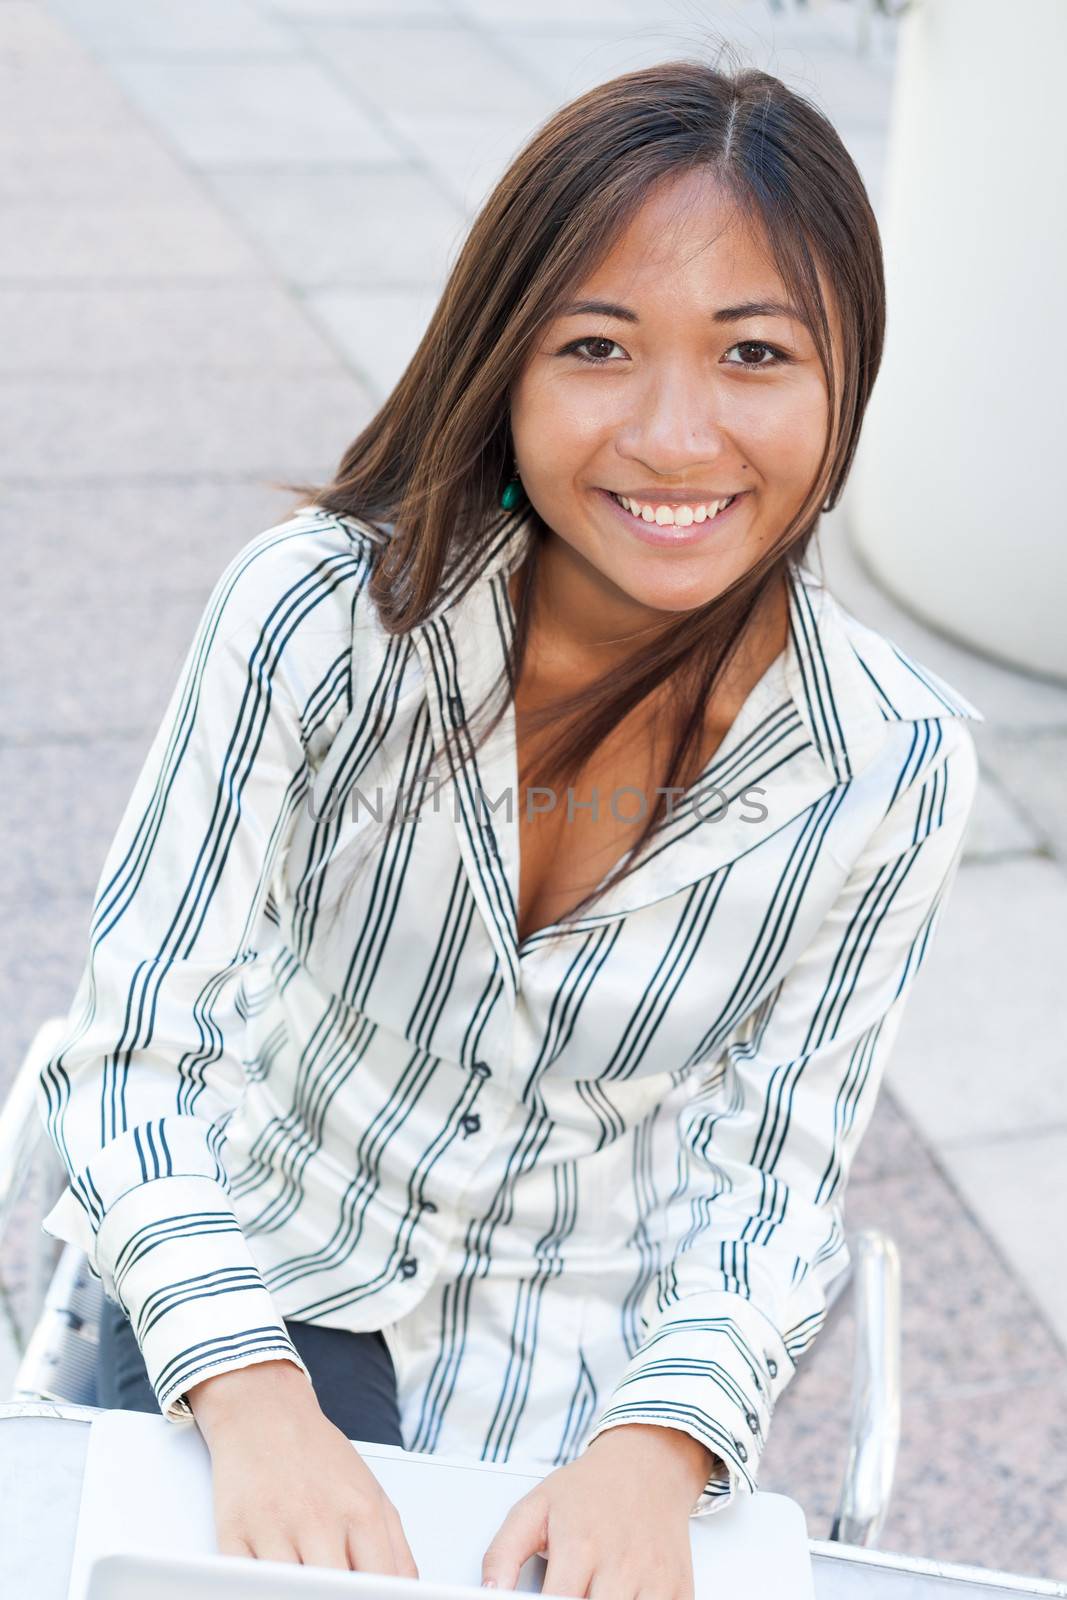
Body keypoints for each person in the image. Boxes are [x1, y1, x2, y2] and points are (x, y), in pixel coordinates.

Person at [36, 54, 983, 1600]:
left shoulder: (894, 766)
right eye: (600, 346)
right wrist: (250, 1389)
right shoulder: (320, 620)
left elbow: (772, 1185)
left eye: (753, 353)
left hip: (568, 1394)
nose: (679, 438)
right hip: (231, 1284)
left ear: (844, 378)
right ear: (506, 362)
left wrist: (657, 1447)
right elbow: (135, 1055)